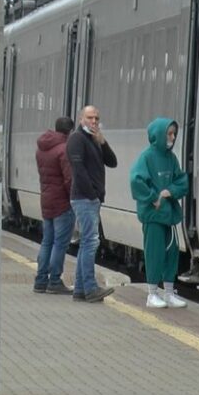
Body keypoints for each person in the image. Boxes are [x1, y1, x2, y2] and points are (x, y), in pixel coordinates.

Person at [129, 118, 189, 309]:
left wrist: (170, 191)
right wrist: (153, 197)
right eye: (169, 134)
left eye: (173, 134)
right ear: (159, 135)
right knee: (154, 253)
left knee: (171, 253)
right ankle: (152, 294)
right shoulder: (147, 157)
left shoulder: (171, 158)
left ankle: (169, 293)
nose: (172, 137)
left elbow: (182, 181)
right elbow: (136, 180)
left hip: (168, 215)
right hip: (154, 215)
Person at [67, 105, 117, 303]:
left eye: (96, 118)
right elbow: (78, 171)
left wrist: (102, 142)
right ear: (81, 119)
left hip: (90, 199)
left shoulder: (93, 140)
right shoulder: (76, 139)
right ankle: (90, 287)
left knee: (87, 242)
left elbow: (113, 162)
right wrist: (93, 195)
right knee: (90, 242)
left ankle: (80, 289)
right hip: (84, 198)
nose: (94, 122)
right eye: (90, 118)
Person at [33, 116, 76, 294]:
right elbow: (69, 179)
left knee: (46, 241)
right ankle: (55, 280)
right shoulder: (64, 150)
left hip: (46, 199)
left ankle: (41, 280)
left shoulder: (41, 149)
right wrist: (73, 198)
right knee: (60, 243)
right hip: (62, 203)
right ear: (70, 131)